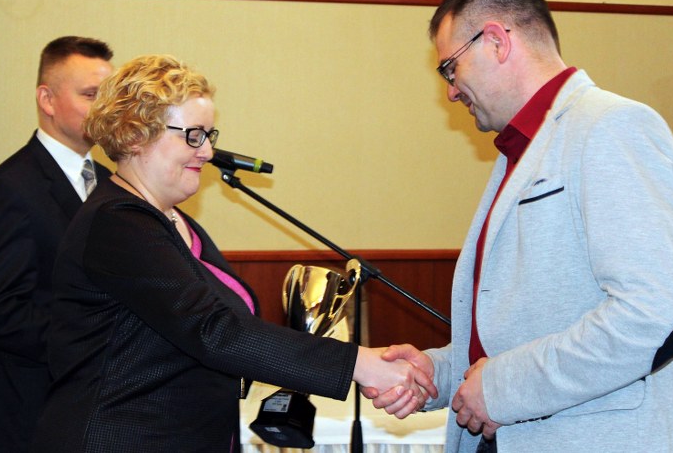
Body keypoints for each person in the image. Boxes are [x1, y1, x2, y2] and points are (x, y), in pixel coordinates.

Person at [29, 54, 436, 452]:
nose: (207, 152)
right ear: (135, 135)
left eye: (210, 135)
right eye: (193, 135)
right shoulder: (117, 222)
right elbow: (215, 330)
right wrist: (358, 364)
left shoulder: (170, 220)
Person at [365, 0, 673, 452]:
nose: (451, 91)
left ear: (497, 41)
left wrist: (502, 388)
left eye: (450, 68)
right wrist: (438, 372)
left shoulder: (611, 127)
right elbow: (521, 335)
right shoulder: (521, 152)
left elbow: (654, 315)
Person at [0, 36, 114, 452]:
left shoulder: (111, 183)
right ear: (47, 99)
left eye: (108, 96)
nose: (105, 109)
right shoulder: (10, 189)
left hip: (98, 412)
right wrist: (102, 341)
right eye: (90, 95)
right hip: (32, 415)